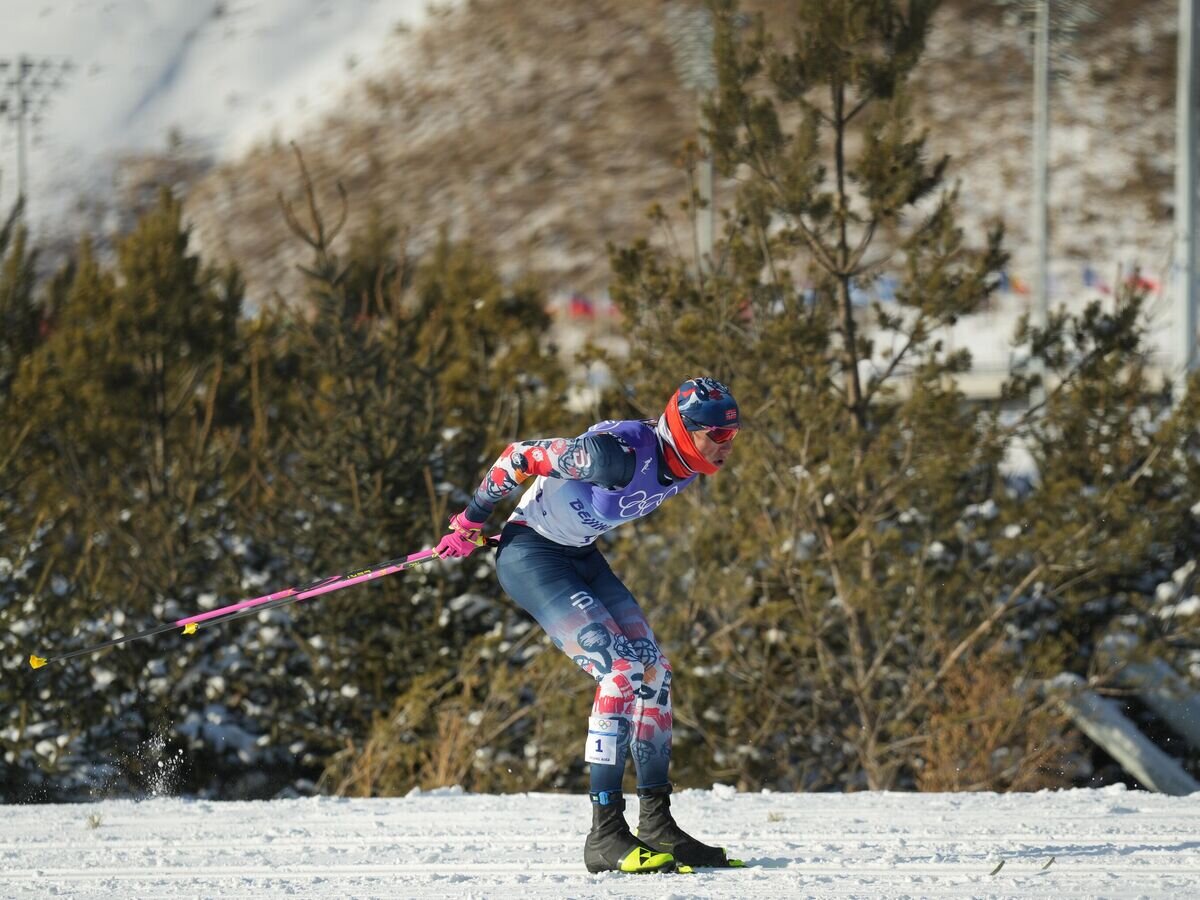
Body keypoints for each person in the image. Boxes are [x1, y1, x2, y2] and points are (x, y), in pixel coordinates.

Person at [433, 376, 742, 874]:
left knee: (655, 673)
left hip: (579, 555)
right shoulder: (611, 454)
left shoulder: (686, 465)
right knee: (620, 672)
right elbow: (519, 457)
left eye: (734, 435)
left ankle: (657, 823)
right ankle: (604, 834)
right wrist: (472, 520)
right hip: (533, 557)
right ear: (684, 428)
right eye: (719, 436)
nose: (728, 446)